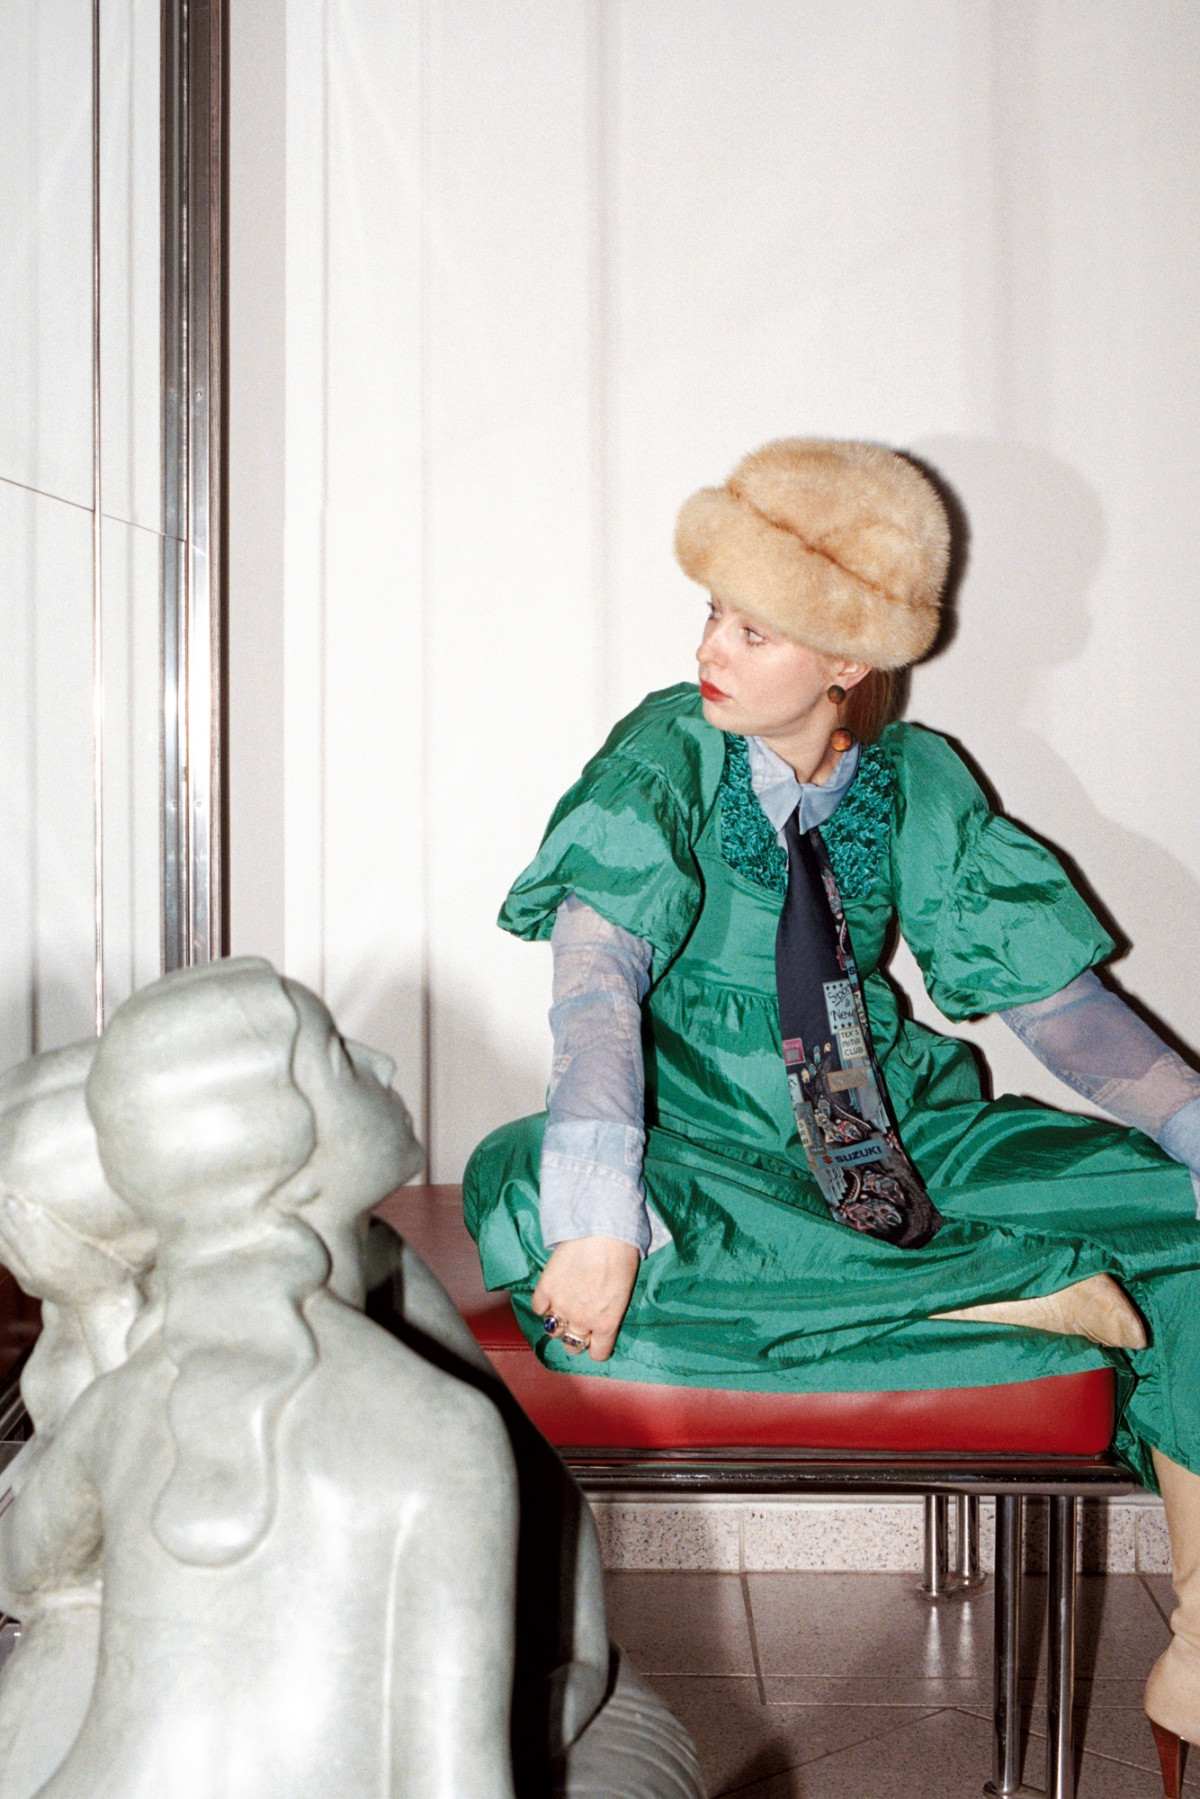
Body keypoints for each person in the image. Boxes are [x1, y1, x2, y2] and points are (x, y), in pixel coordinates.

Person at [464, 437, 1200, 1787]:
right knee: (535, 1196)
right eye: (714, 612)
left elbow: (1062, 1012)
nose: (712, 647)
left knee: (1179, 1211)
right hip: (703, 1133)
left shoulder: (921, 780)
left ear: (850, 659)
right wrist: (600, 1209)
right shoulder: (668, 751)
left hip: (890, 1118)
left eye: (755, 629)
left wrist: (1197, 1130)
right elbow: (596, 987)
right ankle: (998, 1291)